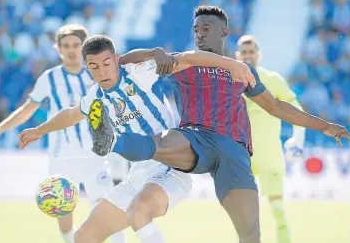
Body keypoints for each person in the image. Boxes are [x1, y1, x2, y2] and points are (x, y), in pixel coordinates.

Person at [87, 6, 350, 243]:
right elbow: (124, 61)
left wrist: (325, 126)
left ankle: (118, 142)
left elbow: (275, 106)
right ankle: (113, 141)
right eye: (196, 29)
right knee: (161, 142)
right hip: (196, 139)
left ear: (224, 31)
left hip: (234, 150)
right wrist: (154, 52)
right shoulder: (185, 62)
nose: (200, 33)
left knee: (251, 233)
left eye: (207, 28)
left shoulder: (242, 71)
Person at [18, 34, 257, 243]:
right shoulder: (95, 96)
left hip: (171, 169)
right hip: (137, 177)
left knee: (137, 213)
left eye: (107, 63)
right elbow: (71, 114)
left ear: (117, 59)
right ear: (87, 68)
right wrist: (39, 130)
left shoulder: (139, 73)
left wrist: (230, 64)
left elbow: (188, 58)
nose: (102, 72)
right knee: (84, 237)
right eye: (94, 67)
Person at [0, 25, 125, 243]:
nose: (71, 50)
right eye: (65, 46)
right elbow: (28, 109)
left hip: (95, 157)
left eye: (76, 45)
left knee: (107, 211)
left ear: (84, 47)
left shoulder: (97, 74)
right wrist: (0, 127)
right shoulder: (49, 78)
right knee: (64, 219)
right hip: (61, 160)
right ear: (58, 48)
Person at [236, 35, 306, 243]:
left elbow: (296, 109)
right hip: (242, 156)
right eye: (244, 52)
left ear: (259, 55)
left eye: (251, 52)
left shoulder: (273, 80)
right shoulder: (230, 81)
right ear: (237, 55)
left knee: (278, 211)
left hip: (269, 154)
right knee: (245, 214)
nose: (248, 56)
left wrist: (298, 140)